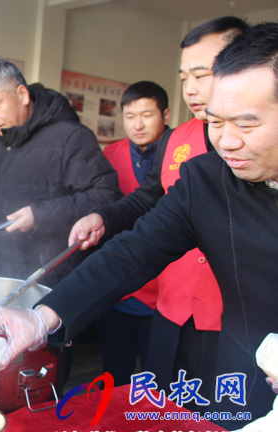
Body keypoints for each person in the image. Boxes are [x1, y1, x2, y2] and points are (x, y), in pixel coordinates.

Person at [0, 22, 278, 430]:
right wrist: (41, 318)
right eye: (216, 123)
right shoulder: (206, 181)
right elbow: (132, 252)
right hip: (245, 369)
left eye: (246, 126)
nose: (227, 142)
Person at [68, 16, 249, 392]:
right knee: (159, 408)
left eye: (202, 75)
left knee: (218, 425)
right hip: (172, 307)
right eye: (184, 78)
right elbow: (150, 198)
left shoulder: (256, 146)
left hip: (231, 318)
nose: (191, 89)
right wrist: (103, 216)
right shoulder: (177, 139)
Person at [0, 57, 121, 287]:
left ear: (22, 95)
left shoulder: (71, 138)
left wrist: (40, 215)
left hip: (44, 280)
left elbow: (106, 195)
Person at [97, 81, 170, 384]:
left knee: (162, 378)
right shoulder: (109, 155)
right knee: (115, 373)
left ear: (165, 114)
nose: (137, 125)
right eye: (130, 116)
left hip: (167, 289)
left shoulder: (184, 151)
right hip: (120, 284)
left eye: (147, 115)